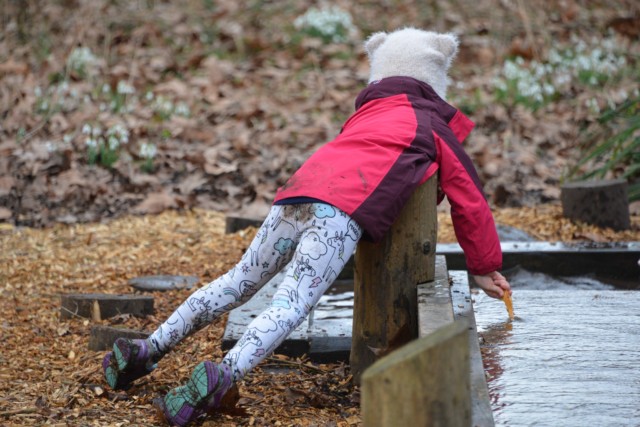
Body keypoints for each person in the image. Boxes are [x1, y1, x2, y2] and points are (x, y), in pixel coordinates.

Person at [102, 27, 511, 427]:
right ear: (438, 75)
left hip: (298, 192)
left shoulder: (364, 117)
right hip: (339, 213)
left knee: (237, 281)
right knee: (292, 302)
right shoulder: (431, 125)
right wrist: (484, 265)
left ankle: (147, 349)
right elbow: (469, 200)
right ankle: (222, 376)